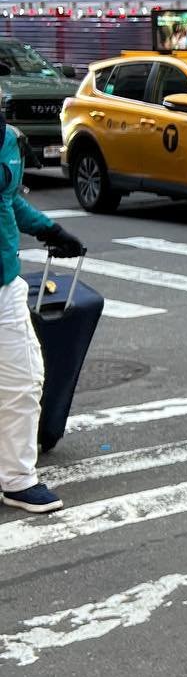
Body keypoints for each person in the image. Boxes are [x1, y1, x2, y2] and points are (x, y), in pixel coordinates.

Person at [1, 105, 85, 514]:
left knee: (24, 380)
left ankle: (16, 480)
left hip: (4, 284)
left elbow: (9, 199)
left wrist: (48, 229)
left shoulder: (6, 139)